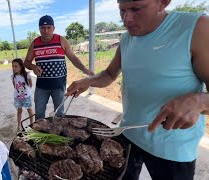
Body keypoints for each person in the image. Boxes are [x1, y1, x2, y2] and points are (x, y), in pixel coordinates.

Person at [66, 0, 209, 179]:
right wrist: (89, 80)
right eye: (122, 10)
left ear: (163, 3)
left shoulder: (197, 28)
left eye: (136, 9)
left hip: (172, 149)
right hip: (128, 136)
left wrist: (198, 101)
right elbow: (110, 74)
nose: (127, 19)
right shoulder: (126, 38)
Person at [24, 15, 94, 119]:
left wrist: (85, 69)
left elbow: (73, 58)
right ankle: (40, 133)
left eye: (49, 27)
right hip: (41, 87)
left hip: (59, 86)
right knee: (39, 114)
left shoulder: (61, 40)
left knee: (59, 114)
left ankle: (58, 133)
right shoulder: (34, 43)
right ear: (39, 29)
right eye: (43, 28)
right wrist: (33, 66)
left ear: (53, 28)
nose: (46, 31)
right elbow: (26, 62)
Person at [11, 58, 34, 131]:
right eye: (13, 66)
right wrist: (19, 93)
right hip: (17, 97)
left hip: (26, 97)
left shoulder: (27, 74)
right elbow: (15, 86)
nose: (14, 68)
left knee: (29, 109)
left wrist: (26, 92)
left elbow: (31, 84)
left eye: (16, 66)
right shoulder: (13, 76)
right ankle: (19, 126)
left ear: (21, 66)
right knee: (19, 111)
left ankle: (32, 124)